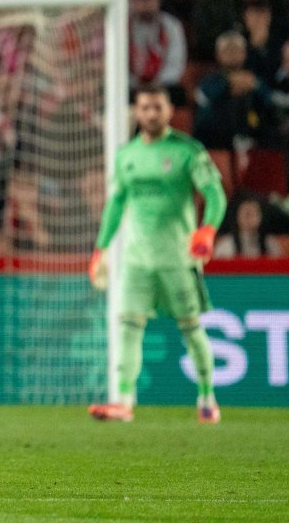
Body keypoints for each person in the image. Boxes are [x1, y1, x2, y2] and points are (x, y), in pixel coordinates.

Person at [88, 84, 226, 424]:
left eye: (157, 107)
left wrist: (207, 229)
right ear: (136, 112)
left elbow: (214, 193)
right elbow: (116, 203)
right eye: (145, 107)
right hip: (137, 260)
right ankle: (123, 401)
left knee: (191, 329)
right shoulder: (126, 155)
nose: (151, 114)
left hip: (177, 258)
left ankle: (207, 397)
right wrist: (101, 248)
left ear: (169, 111)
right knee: (127, 326)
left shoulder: (187, 151)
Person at [192, 31, 274, 150]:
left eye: (236, 50)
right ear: (218, 55)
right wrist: (228, 85)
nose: (232, 54)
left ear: (244, 53)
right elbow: (203, 100)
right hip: (217, 136)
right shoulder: (210, 80)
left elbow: (269, 99)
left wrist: (254, 86)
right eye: (227, 50)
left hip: (253, 135)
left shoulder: (253, 78)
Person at [129, 0, 187, 105]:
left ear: (158, 0)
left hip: (162, 85)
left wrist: (156, 84)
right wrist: (135, 83)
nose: (145, 5)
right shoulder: (123, 26)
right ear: (131, 1)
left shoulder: (171, 25)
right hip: (132, 86)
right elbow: (117, 64)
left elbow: (176, 62)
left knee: (178, 94)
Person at [214, 195, 280, 258]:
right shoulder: (226, 245)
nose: (251, 218)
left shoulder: (270, 243)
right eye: (247, 214)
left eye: (255, 213)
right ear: (236, 216)